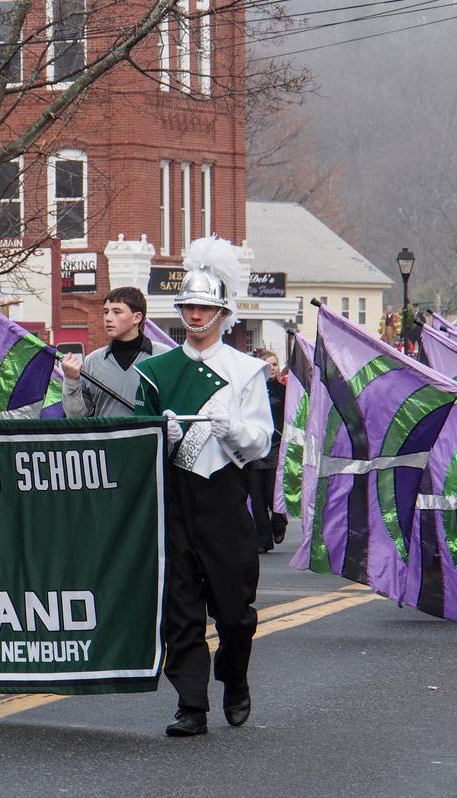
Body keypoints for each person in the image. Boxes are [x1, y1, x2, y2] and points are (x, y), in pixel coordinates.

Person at [134, 236, 273, 737]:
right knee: (180, 610)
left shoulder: (245, 371)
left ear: (222, 311)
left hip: (223, 496)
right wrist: (157, 435)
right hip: (172, 499)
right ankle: (191, 704)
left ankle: (234, 676)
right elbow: (134, 439)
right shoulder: (155, 371)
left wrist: (233, 431)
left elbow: (260, 442)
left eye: (204, 307)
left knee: (235, 614)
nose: (195, 316)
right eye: (189, 307)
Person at [61, 287, 167, 417]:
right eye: (106, 312)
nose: (108, 318)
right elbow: (77, 417)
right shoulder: (92, 361)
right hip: (106, 437)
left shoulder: (164, 356)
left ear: (137, 317)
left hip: (150, 437)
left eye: (117, 312)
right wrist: (71, 380)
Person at [247, 349, 286, 552]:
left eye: (274, 364)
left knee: (272, 493)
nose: (272, 368)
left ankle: (279, 520)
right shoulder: (251, 390)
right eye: (268, 364)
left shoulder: (284, 390)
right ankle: (263, 540)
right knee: (257, 498)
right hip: (255, 449)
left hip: (276, 450)